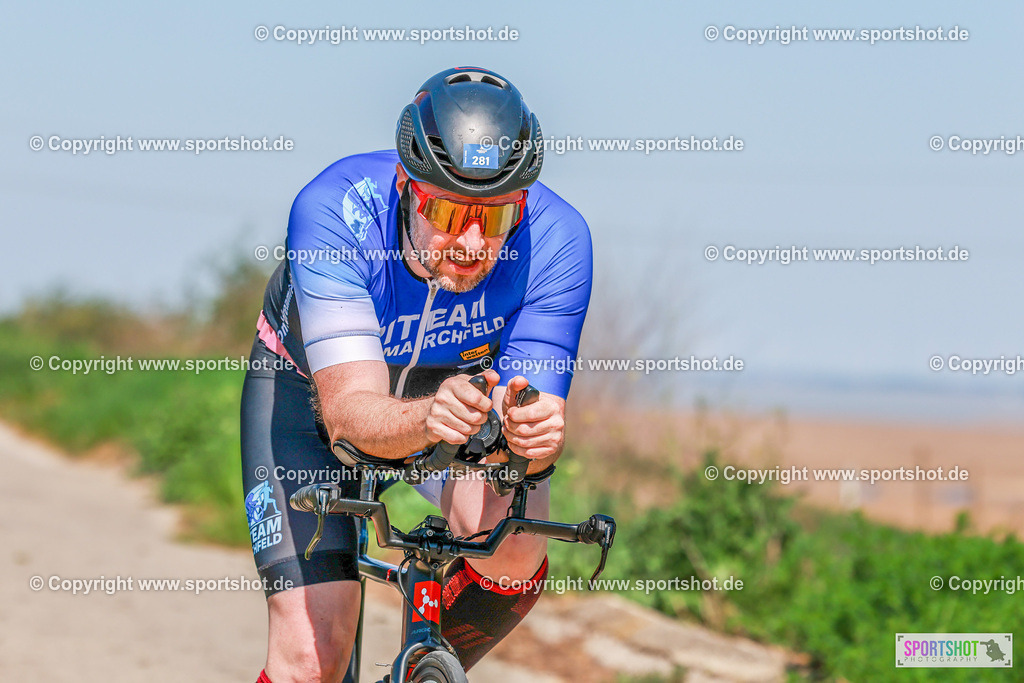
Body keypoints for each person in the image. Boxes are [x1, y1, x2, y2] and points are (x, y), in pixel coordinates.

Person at [240, 66, 593, 683]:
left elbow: (523, 450)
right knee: (310, 659)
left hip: (456, 393)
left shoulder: (559, 240)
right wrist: (427, 418)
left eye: (499, 217)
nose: (473, 242)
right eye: (451, 213)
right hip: (313, 396)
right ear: (407, 185)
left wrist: (533, 444)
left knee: (516, 543)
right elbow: (350, 415)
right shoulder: (336, 211)